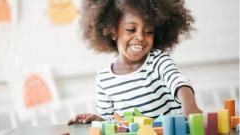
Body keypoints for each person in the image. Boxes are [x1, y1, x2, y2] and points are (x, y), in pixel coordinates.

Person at [68, 0, 202, 125]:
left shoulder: (158, 61)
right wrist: (99, 120)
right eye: (131, 29)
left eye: (149, 32)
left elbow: (178, 82)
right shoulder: (104, 79)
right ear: (113, 31)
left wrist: (189, 106)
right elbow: (111, 121)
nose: (140, 37)